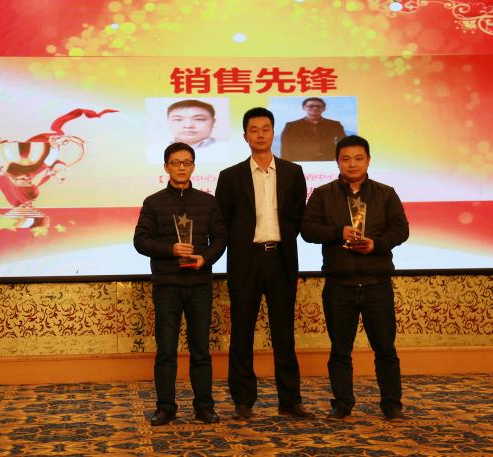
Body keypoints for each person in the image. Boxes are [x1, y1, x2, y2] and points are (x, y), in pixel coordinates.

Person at [301, 135, 409, 421]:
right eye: (346, 158)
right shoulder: (323, 194)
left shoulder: (385, 193)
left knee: (385, 348)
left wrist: (376, 244)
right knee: (340, 350)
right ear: (337, 162)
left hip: (376, 284)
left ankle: (392, 404)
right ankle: (342, 403)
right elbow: (307, 230)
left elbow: (401, 229)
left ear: (368, 161)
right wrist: (338, 232)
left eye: (358, 158)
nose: (352, 164)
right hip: (339, 285)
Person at [215, 107, 312, 420]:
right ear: (245, 136)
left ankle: (290, 401)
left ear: (273, 133)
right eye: (253, 129)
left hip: (281, 259)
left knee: (284, 333)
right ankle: (243, 401)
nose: (260, 134)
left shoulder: (293, 172)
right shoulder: (230, 176)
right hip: (246, 261)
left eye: (265, 128)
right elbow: (222, 223)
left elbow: (297, 217)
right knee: (242, 332)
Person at [133, 142, 227, 426]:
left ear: (193, 167)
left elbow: (220, 238)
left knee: (201, 350)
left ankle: (204, 407)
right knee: (166, 351)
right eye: (176, 163)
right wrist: (170, 249)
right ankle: (165, 407)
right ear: (166, 167)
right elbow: (140, 241)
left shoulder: (208, 202)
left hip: (199, 284)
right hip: (167, 285)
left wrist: (205, 258)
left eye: (187, 162)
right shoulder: (153, 203)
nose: (181, 167)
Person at [147, 99, 230, 164]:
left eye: (199, 119)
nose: (188, 125)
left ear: (213, 122)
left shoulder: (226, 149)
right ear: (168, 122)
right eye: (178, 119)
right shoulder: (153, 151)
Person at [280, 97, 346, 162]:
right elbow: (285, 147)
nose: (315, 108)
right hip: (300, 161)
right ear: (304, 107)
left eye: (318, 106)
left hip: (329, 160)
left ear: (324, 108)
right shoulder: (291, 126)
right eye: (310, 106)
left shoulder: (335, 125)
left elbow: (343, 143)